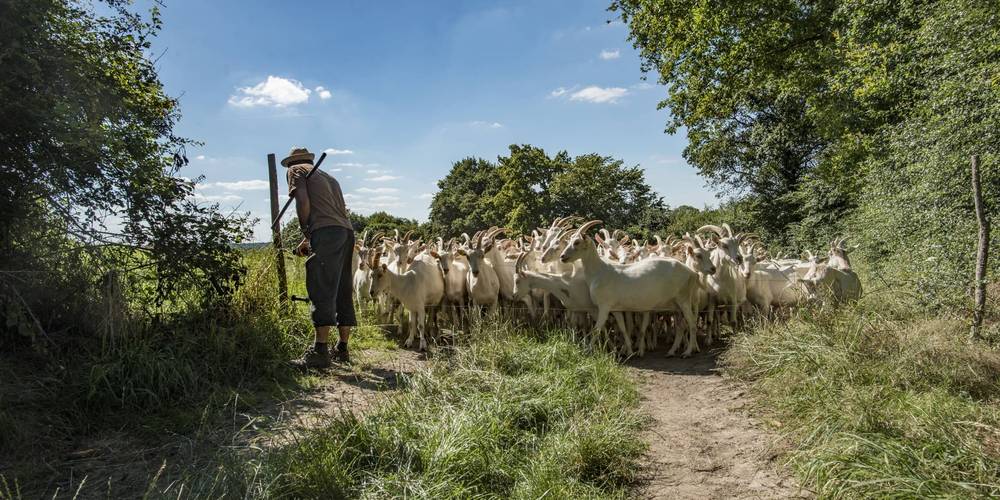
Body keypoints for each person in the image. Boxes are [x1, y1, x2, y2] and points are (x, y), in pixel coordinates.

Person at [282, 147, 356, 369]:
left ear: (292, 162)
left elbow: (302, 201)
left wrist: (306, 230)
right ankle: (342, 349)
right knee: (342, 286)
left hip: (325, 232)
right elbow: (334, 213)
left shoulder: (296, 170)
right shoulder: (328, 177)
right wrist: (310, 240)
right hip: (346, 231)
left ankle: (320, 353)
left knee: (321, 285)